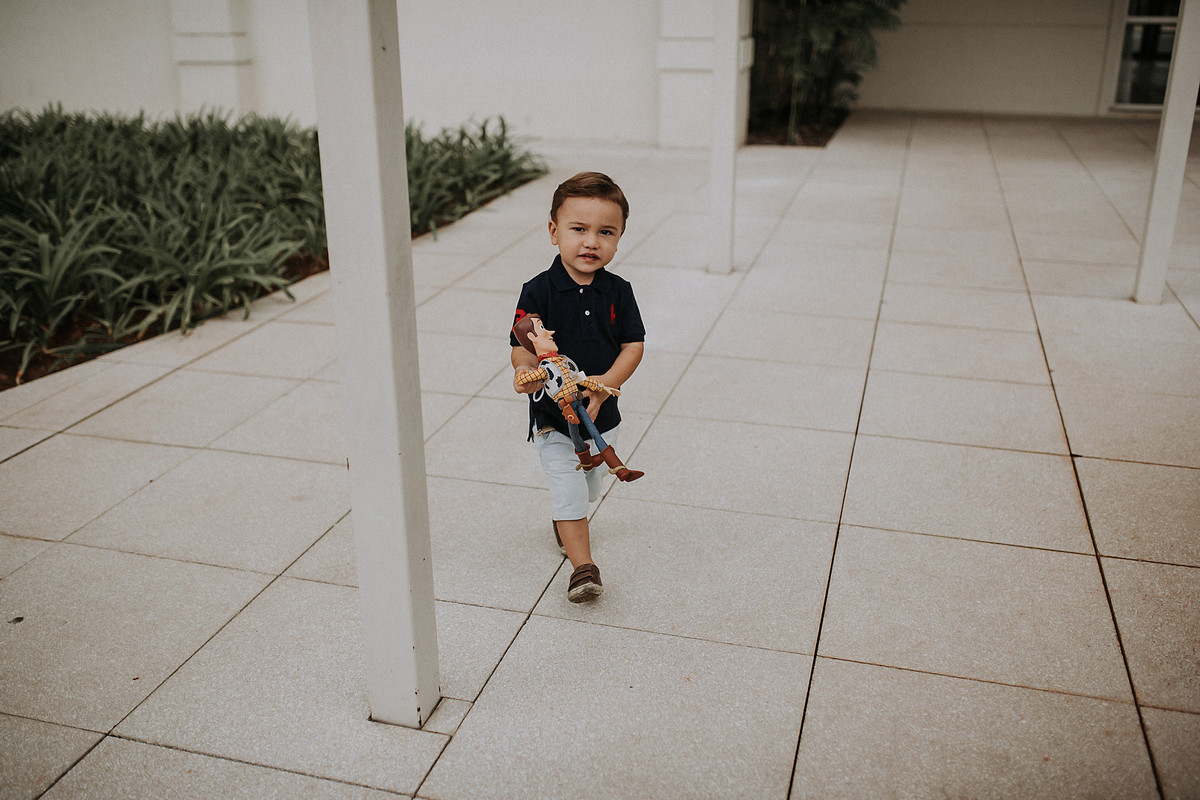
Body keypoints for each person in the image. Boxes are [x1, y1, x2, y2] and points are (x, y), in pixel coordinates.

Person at [509, 171, 645, 603]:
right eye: (579, 229)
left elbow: (633, 346)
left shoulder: (618, 292)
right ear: (554, 232)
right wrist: (525, 372)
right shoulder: (538, 290)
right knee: (568, 492)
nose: (591, 242)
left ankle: (566, 519)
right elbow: (522, 346)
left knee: (589, 487)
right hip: (554, 418)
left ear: (619, 238)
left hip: (603, 418)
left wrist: (605, 385)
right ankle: (583, 568)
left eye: (605, 232)